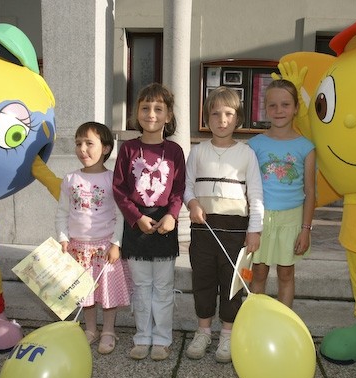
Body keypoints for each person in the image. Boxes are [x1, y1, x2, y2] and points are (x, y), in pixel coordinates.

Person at [183, 87, 264, 363]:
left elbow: (255, 195)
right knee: (203, 279)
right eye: (215, 114)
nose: (222, 120)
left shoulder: (246, 154)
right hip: (204, 230)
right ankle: (203, 330)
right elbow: (187, 187)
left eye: (228, 114)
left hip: (236, 232)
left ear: (237, 118)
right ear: (207, 118)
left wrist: (255, 229)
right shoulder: (197, 152)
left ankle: (228, 334)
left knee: (233, 283)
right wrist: (192, 204)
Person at [112, 83, 186, 361]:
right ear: (136, 113)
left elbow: (179, 189)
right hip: (137, 224)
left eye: (158, 108)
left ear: (168, 116)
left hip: (165, 223)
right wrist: (136, 217)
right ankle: (142, 337)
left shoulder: (175, 151)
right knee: (141, 286)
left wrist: (172, 215)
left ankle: (162, 339)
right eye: (145, 108)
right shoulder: (128, 149)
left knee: (164, 286)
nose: (151, 114)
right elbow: (119, 189)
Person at [55, 122, 131, 355]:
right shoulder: (70, 179)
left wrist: (116, 244)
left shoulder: (111, 179)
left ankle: (108, 330)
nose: (83, 149)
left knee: (108, 293)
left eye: (89, 143)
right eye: (79, 144)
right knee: (84, 293)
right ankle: (90, 329)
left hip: (104, 246)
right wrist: (63, 238)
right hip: (78, 247)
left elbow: (121, 215)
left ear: (106, 148)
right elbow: (62, 212)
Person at [248, 79, 316, 308]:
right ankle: (256, 320)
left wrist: (306, 229)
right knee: (258, 273)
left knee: (286, 274)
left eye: (285, 104)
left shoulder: (306, 147)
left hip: (292, 219)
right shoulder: (254, 145)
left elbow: (310, 191)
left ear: (296, 108)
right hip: (261, 218)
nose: (279, 111)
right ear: (265, 108)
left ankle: (284, 323)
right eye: (273, 105)